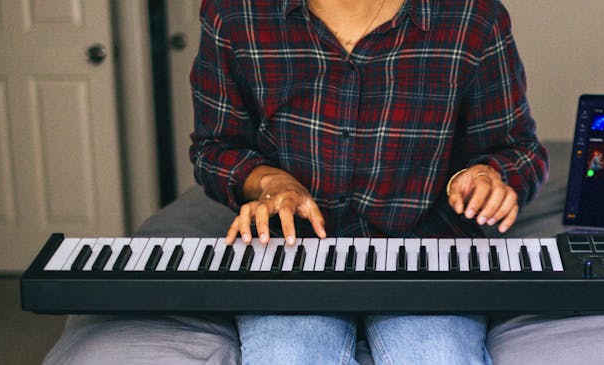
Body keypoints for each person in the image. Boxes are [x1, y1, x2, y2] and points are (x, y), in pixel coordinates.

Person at [188, 0, 547, 364]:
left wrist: (487, 177)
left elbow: (517, 150)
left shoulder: (473, 16)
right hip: (290, 255)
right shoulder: (235, 12)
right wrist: (272, 183)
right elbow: (215, 147)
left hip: (427, 254)